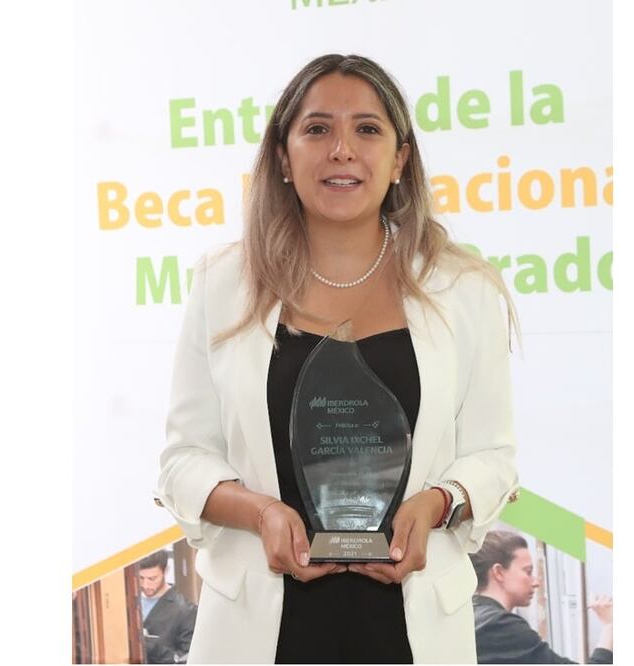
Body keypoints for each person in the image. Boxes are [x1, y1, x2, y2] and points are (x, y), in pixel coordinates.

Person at [153, 53, 520, 663]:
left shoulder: (465, 288)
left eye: (368, 129)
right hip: (259, 633)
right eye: (318, 128)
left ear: (401, 158)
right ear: (282, 155)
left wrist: (439, 504)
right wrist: (261, 513)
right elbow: (183, 460)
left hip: (413, 627)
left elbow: (494, 457)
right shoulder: (223, 284)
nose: (342, 150)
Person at [469, 531, 613, 664]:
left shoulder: (472, 615)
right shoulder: (499, 625)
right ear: (499, 573)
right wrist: (610, 625)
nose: (536, 582)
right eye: (528, 571)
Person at [136, 551, 197, 664]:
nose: (145, 585)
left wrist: (154, 648)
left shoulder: (185, 611)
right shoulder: (129, 602)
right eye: (141, 578)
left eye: (152, 578)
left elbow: (188, 658)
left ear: (166, 571)